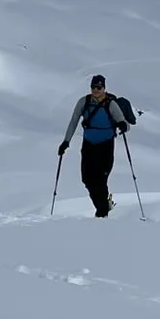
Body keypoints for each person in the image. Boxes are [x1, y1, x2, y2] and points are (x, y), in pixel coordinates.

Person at [58, 74, 136, 218]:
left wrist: (122, 126)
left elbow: (126, 126)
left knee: (100, 180)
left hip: (105, 146)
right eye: (93, 87)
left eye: (99, 87)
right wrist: (66, 142)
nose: (95, 90)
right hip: (88, 145)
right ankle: (105, 205)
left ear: (104, 88)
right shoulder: (84, 102)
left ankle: (102, 213)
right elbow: (74, 121)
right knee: (87, 179)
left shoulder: (111, 104)